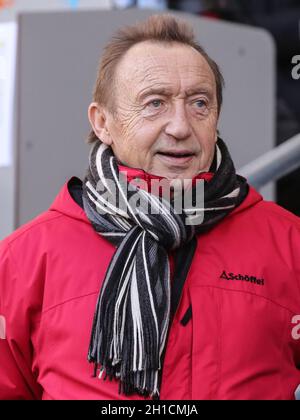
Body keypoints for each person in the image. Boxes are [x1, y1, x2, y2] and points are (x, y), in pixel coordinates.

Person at [0, 14, 300, 401]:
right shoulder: (25, 259)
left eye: (199, 103)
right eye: (154, 103)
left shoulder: (289, 244)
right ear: (103, 122)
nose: (179, 126)